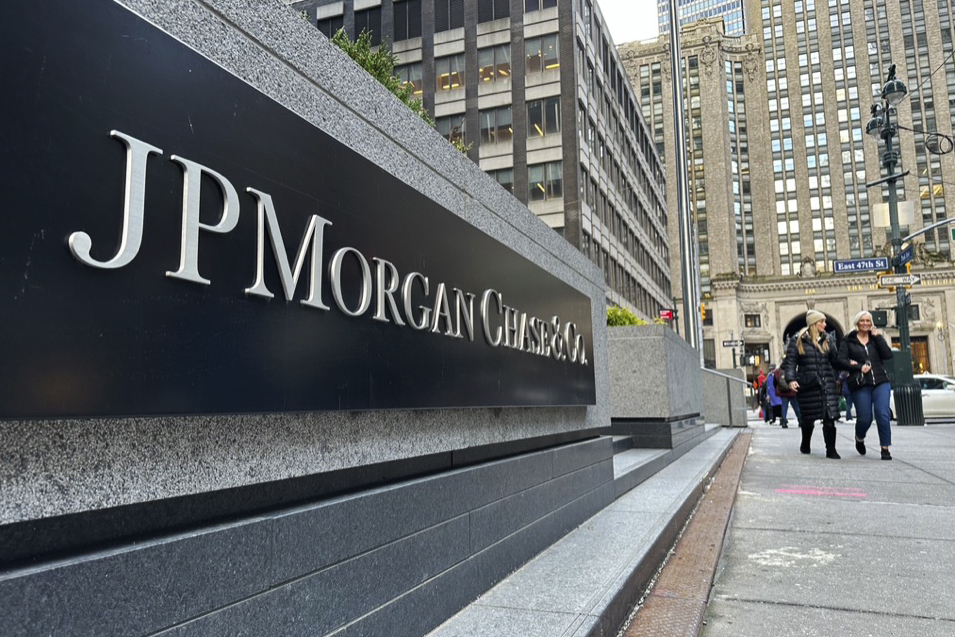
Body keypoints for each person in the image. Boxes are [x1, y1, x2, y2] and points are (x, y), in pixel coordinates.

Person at [783, 310, 845, 458]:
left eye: (824, 321)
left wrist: (849, 364)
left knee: (829, 417)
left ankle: (831, 449)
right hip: (808, 384)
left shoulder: (828, 339)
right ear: (813, 324)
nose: (825, 324)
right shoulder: (798, 340)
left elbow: (835, 361)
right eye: (821, 322)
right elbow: (790, 362)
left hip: (827, 383)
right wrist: (791, 380)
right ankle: (805, 443)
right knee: (808, 418)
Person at [837, 310, 894, 460]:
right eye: (862, 320)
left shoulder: (875, 339)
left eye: (868, 321)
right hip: (861, 383)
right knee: (865, 418)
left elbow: (888, 355)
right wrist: (857, 367)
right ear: (857, 322)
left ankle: (885, 448)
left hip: (881, 382)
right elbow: (840, 360)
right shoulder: (848, 341)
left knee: (883, 414)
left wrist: (879, 337)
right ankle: (859, 437)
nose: (865, 323)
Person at [774, 356, 800, 428]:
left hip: (783, 392)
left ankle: (784, 422)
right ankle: (800, 421)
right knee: (796, 407)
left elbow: (775, 382)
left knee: (784, 407)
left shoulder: (777, 371)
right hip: (792, 391)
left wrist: (778, 388)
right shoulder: (792, 370)